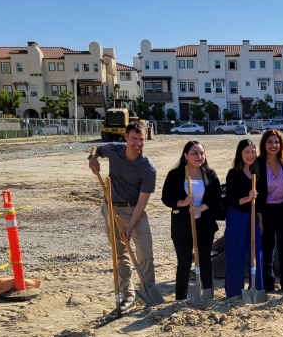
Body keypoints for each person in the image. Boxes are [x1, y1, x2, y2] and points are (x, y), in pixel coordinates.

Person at [87, 121, 157, 312]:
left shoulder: (148, 168)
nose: (138, 143)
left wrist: (129, 228)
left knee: (145, 254)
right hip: (111, 208)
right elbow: (96, 149)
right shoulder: (113, 150)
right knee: (119, 256)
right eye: (134, 138)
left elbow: (142, 203)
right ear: (126, 137)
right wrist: (92, 157)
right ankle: (128, 296)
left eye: (141, 139)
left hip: (135, 211)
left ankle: (149, 292)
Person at [161, 141, 224, 301]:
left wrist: (203, 207)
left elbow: (217, 197)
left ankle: (208, 293)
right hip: (182, 224)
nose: (199, 156)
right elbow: (166, 197)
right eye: (195, 153)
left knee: (204, 258)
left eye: (201, 153)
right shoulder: (175, 175)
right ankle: (181, 297)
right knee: (184, 260)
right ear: (186, 155)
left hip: (204, 224)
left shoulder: (210, 174)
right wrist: (183, 202)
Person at [223, 139, 266, 299]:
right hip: (237, 216)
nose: (250, 155)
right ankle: (234, 292)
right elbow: (231, 200)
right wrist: (247, 198)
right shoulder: (233, 173)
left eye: (253, 152)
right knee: (235, 253)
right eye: (247, 152)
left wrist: (260, 220)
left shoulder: (257, 172)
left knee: (256, 252)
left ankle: (257, 287)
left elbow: (260, 202)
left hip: (253, 216)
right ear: (240, 154)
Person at [256, 129, 283, 292]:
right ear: (264, 144)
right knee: (268, 248)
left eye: (277, 142)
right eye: (270, 142)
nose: (274, 145)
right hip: (266, 211)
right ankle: (268, 284)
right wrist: (259, 216)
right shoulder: (257, 164)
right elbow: (256, 191)